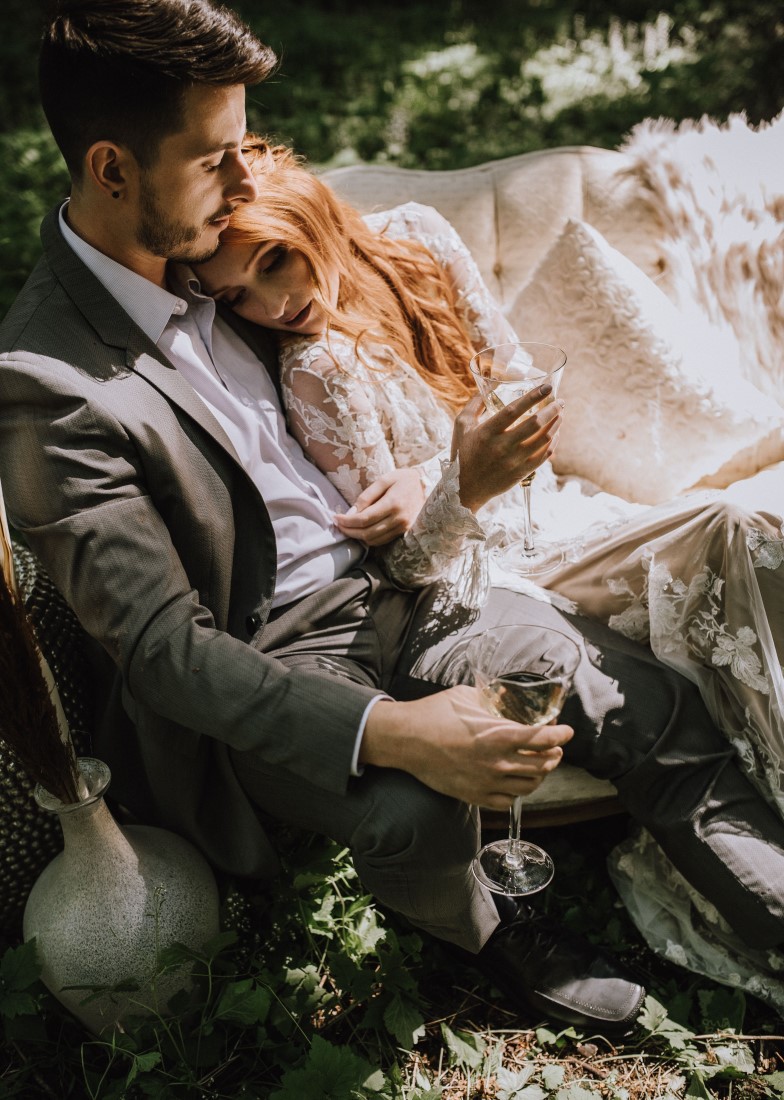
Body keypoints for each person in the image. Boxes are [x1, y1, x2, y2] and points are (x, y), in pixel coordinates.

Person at [2, 0, 784, 1037]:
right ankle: (504, 939)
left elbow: (363, 307)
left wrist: (432, 478)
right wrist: (395, 728)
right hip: (275, 652)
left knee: (633, 702)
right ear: (112, 170)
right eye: (218, 159)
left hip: (407, 582)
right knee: (411, 809)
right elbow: (164, 649)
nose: (249, 185)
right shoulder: (49, 383)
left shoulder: (215, 254)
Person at [193, 139, 784, 1007]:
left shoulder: (418, 239)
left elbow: (514, 378)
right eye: (239, 294)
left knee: (740, 533)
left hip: (556, 516)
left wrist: (441, 471)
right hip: (473, 577)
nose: (278, 303)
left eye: (277, 258)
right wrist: (457, 486)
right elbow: (402, 566)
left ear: (312, 211)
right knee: (718, 546)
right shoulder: (313, 369)